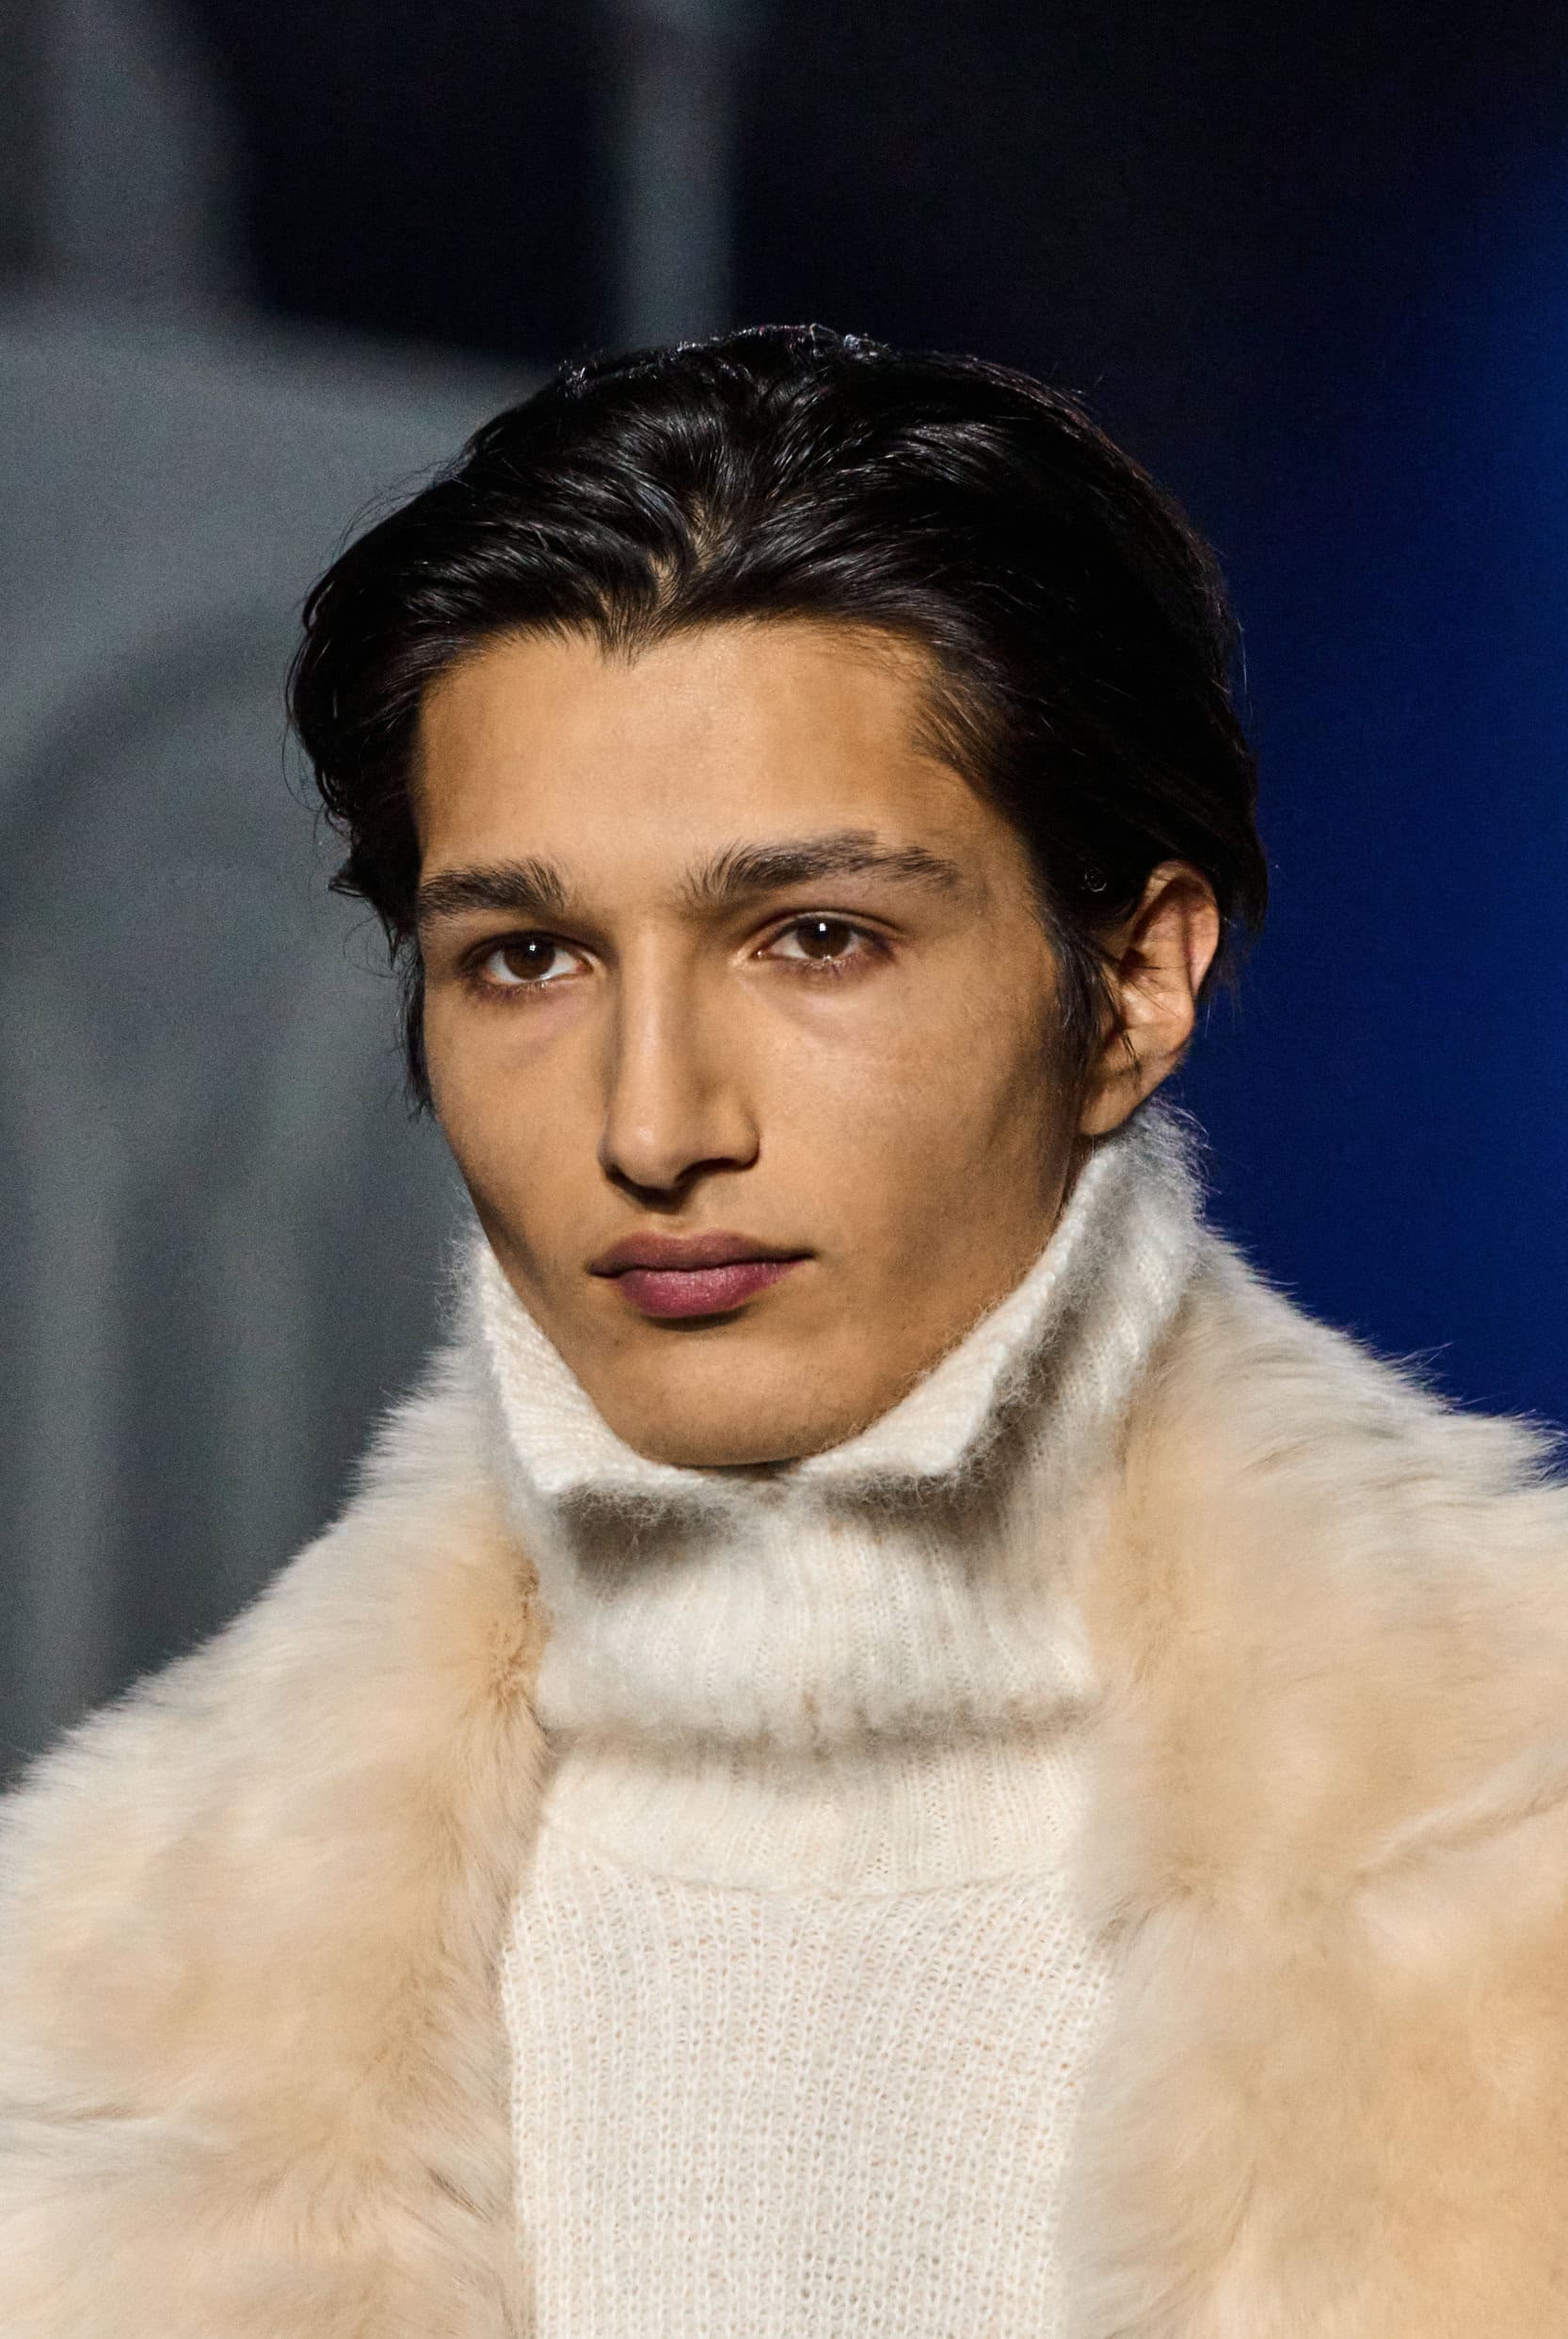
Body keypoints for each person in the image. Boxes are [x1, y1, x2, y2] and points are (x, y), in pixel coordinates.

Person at [2, 326, 1565, 2339]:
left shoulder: (1521, 1811)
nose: (653, 1125)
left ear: (1132, 981)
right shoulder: (91, 1988)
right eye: (527, 957)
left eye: (816, 938)